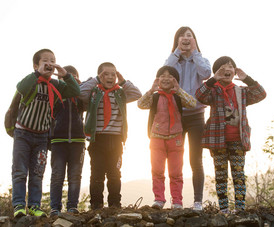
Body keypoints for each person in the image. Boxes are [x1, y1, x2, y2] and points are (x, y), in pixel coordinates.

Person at [12, 49, 80, 218]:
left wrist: (65, 75)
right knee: (20, 171)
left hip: (42, 136)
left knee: (37, 172)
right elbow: (20, 87)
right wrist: (37, 74)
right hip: (23, 134)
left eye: (53, 60)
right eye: (45, 60)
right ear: (36, 65)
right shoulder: (31, 82)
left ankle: (34, 205)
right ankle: (19, 205)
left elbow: (75, 91)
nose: (50, 63)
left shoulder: (57, 85)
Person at [195, 56, 266, 213]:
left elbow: (261, 94)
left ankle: (240, 208)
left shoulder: (241, 91)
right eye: (223, 67)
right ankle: (224, 209)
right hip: (217, 140)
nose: (227, 69)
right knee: (220, 175)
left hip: (238, 140)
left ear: (235, 71)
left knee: (238, 174)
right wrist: (213, 80)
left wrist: (247, 78)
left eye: (230, 66)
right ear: (217, 72)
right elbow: (199, 95)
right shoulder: (213, 91)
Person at [79, 62, 142, 209]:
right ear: (100, 76)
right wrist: (95, 80)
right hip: (97, 139)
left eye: (113, 74)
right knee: (97, 173)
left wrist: (123, 81)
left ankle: (114, 204)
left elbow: (137, 94)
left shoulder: (120, 93)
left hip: (115, 139)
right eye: (105, 74)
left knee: (114, 173)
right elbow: (80, 92)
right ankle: (96, 204)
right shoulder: (94, 93)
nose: (110, 77)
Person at [164, 26, 211, 210]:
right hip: (176, 115)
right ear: (177, 41)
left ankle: (198, 201)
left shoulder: (200, 60)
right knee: (175, 159)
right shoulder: (173, 61)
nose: (186, 38)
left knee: (195, 159)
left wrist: (195, 52)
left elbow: (206, 73)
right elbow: (164, 71)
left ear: (194, 40)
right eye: (182, 36)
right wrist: (177, 53)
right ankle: (177, 201)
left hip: (197, 115)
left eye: (189, 36)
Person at [138, 66, 196, 209]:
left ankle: (177, 201)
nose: (166, 78)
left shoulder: (179, 96)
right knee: (157, 170)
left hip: (176, 137)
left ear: (175, 80)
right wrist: (151, 90)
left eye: (170, 76)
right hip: (156, 137)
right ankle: (159, 199)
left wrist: (179, 90)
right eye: (162, 76)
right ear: (157, 79)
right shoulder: (155, 96)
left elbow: (192, 103)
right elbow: (140, 104)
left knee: (176, 172)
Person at [49, 65, 86, 217]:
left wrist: (77, 84)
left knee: (75, 175)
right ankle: (55, 208)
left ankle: (72, 206)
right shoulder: (55, 93)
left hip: (78, 140)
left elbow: (88, 101)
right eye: (64, 76)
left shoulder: (80, 96)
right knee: (57, 175)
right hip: (58, 140)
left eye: (72, 76)